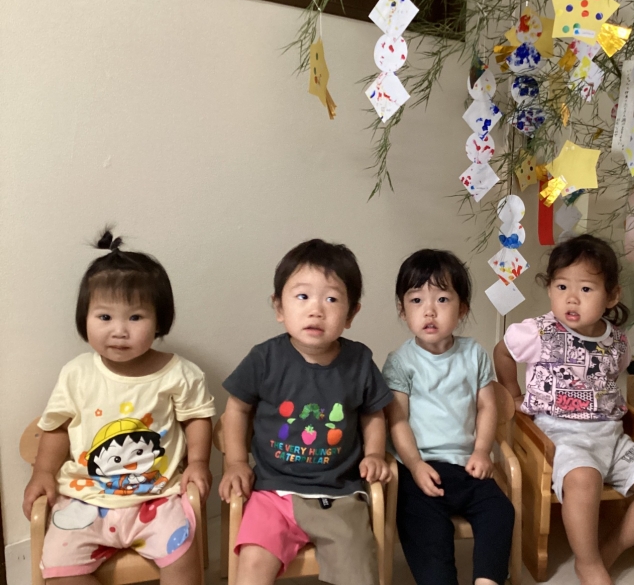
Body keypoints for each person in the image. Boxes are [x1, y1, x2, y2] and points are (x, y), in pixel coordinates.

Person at [22, 230, 215, 584]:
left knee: (184, 558)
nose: (120, 331)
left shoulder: (179, 373)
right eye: (105, 317)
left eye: (135, 317)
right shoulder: (77, 373)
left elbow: (197, 418)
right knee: (58, 569)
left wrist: (199, 462)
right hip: (84, 498)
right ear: (84, 318)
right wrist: (43, 472)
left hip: (157, 497)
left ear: (160, 320)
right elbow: (57, 426)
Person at [494, 234, 634, 585]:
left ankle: (609, 550)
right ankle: (588, 562)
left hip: (612, 436)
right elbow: (502, 352)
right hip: (560, 435)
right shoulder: (538, 332)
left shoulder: (617, 338)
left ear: (612, 296)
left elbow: (614, 374)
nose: (571, 298)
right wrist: (513, 393)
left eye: (586, 289)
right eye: (561, 286)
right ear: (550, 288)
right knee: (583, 479)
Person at [218, 239, 393, 585]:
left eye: (331, 299)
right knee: (252, 563)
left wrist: (374, 453)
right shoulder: (264, 358)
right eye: (302, 296)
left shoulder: (358, 361)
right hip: (272, 493)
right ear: (279, 307)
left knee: (359, 568)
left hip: (340, 494)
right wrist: (236, 462)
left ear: (351, 314)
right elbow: (236, 409)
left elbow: (373, 413)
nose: (316, 310)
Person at [383, 249, 514, 585]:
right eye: (416, 300)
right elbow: (397, 420)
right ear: (402, 310)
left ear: (462, 309)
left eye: (442, 299)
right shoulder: (400, 361)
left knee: (500, 511)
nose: (429, 310)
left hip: (467, 464)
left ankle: (487, 581)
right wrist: (414, 465)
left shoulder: (474, 354)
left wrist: (482, 451)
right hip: (420, 469)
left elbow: (487, 407)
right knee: (423, 526)